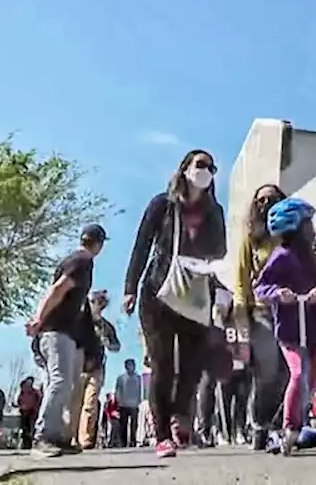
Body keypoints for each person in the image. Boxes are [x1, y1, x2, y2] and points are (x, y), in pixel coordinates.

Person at [123, 149, 227, 458]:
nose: (205, 170)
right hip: (159, 292)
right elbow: (142, 244)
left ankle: (181, 417)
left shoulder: (214, 212)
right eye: (199, 165)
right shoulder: (162, 205)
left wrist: (222, 291)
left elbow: (220, 254)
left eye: (211, 167)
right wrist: (130, 287)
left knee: (194, 365)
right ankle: (162, 435)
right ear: (184, 170)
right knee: (163, 364)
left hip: (195, 295)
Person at [251, 199, 316, 455]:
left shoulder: (312, 258)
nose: (312, 229)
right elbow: (260, 287)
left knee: (313, 376)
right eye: (308, 224)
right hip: (291, 329)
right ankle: (289, 426)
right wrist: (277, 293)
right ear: (295, 228)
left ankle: (310, 418)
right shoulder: (281, 257)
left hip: (314, 324)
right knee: (297, 373)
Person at [26, 224, 105, 457]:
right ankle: (42, 437)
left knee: (68, 385)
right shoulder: (82, 261)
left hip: (67, 334)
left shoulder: (78, 261)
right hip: (55, 331)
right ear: (99, 244)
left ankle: (58, 435)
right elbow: (58, 290)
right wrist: (38, 319)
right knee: (60, 382)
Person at [233, 184, 289, 452]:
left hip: (290, 311)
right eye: (262, 200)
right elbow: (242, 280)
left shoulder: (291, 235)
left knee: (289, 373)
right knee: (267, 372)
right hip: (261, 313)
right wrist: (241, 314)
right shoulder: (251, 239)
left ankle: (278, 425)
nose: (267, 203)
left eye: (273, 199)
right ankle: (258, 424)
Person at [75, 287, 121, 449]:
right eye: (96, 302)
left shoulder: (106, 326)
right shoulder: (80, 322)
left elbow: (116, 346)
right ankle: (71, 437)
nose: (99, 306)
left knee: (90, 402)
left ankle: (85, 439)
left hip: (97, 367)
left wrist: (108, 342)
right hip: (79, 366)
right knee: (75, 403)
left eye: (102, 303)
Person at [196, 285, 237, 448]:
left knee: (218, 383)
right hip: (210, 334)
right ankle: (206, 430)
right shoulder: (214, 281)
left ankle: (212, 431)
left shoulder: (221, 282)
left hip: (219, 334)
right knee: (209, 382)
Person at [113, 359, 142, 448]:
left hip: (134, 405)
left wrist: (139, 400)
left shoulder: (138, 378)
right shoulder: (121, 378)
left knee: (134, 425)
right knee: (123, 425)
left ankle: (133, 441)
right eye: (129, 365)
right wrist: (118, 402)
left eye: (132, 365)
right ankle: (123, 443)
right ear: (125, 367)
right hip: (123, 405)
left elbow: (140, 390)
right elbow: (117, 391)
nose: (131, 367)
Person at [17, 377, 42, 450]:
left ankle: (33, 443)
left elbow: (39, 401)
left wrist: (36, 408)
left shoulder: (35, 392)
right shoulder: (21, 394)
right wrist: (21, 407)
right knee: (24, 430)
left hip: (32, 413)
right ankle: (25, 444)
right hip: (24, 414)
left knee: (32, 429)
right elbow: (18, 402)